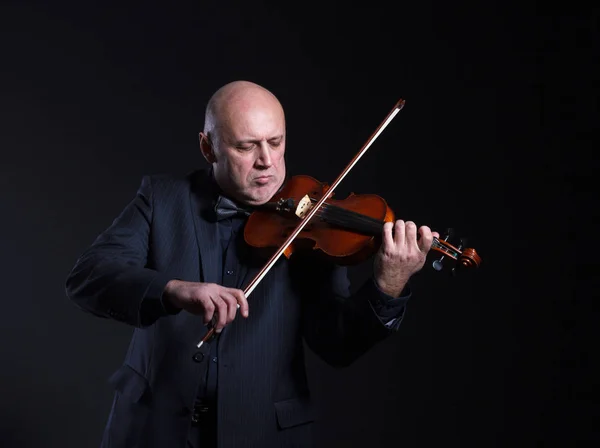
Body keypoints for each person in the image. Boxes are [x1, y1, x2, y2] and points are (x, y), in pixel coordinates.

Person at [65, 80, 439, 448]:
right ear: (208, 148)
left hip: (263, 434)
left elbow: (337, 344)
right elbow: (89, 276)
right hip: (151, 429)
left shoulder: (312, 226)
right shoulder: (162, 200)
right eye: (246, 146)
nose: (266, 161)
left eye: (275, 142)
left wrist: (388, 284)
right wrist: (174, 290)